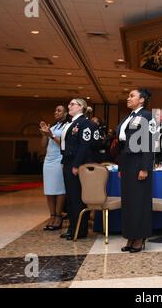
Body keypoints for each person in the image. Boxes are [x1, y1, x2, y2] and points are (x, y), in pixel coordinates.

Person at [116, 89, 154, 253]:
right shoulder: (127, 117)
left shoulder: (148, 116)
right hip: (127, 161)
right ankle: (131, 236)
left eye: (132, 96)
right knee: (129, 202)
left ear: (142, 100)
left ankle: (140, 237)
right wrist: (120, 167)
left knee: (139, 201)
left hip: (139, 162)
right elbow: (121, 144)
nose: (128, 98)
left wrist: (145, 167)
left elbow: (149, 142)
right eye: (128, 95)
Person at [60, 98, 97, 240]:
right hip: (68, 161)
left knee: (76, 198)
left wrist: (76, 165)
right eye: (68, 104)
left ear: (81, 107)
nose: (69, 106)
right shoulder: (70, 123)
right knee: (70, 197)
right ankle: (72, 228)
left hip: (76, 164)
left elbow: (84, 145)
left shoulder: (84, 123)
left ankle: (79, 230)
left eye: (72, 104)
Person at [39, 105, 67, 230]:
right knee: (49, 190)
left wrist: (51, 135)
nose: (56, 112)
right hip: (48, 160)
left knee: (59, 189)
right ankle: (52, 216)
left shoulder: (67, 126)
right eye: (55, 110)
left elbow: (64, 144)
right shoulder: (54, 126)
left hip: (59, 159)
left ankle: (59, 216)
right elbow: (43, 145)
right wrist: (45, 133)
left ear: (66, 113)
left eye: (59, 110)